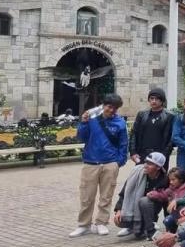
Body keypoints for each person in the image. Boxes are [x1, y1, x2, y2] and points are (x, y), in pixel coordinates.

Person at [69, 94, 129, 238]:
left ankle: (101, 222)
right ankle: (84, 225)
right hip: (91, 162)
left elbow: (123, 144)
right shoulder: (92, 119)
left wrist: (118, 162)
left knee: (106, 196)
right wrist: (83, 123)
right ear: (103, 105)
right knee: (86, 196)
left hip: (110, 163)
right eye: (109, 107)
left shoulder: (120, 123)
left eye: (115, 108)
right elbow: (81, 137)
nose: (112, 110)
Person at [113, 152, 169, 239]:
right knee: (119, 221)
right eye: (146, 162)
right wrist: (119, 210)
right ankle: (133, 227)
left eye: (150, 164)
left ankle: (150, 229)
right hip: (134, 210)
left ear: (158, 167)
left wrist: (168, 224)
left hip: (150, 210)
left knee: (145, 200)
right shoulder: (137, 173)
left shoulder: (165, 180)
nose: (145, 165)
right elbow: (124, 193)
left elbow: (167, 202)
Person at [129, 88, 175, 168]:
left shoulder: (169, 116)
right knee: (141, 177)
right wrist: (133, 152)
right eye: (152, 98)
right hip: (142, 153)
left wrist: (165, 154)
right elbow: (134, 133)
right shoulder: (142, 115)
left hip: (160, 154)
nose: (154, 101)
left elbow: (172, 137)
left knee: (159, 178)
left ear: (162, 100)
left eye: (157, 99)